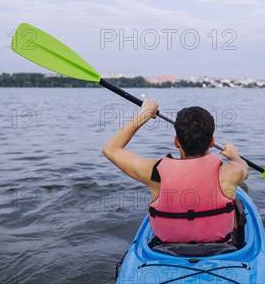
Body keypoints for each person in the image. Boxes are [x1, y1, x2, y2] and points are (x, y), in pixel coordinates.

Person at [102, 99, 249, 244]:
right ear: (212, 142)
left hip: (167, 250)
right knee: (235, 202)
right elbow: (245, 169)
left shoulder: (155, 172)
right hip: (220, 249)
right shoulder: (230, 172)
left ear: (176, 142)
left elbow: (111, 149)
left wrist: (144, 115)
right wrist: (234, 155)